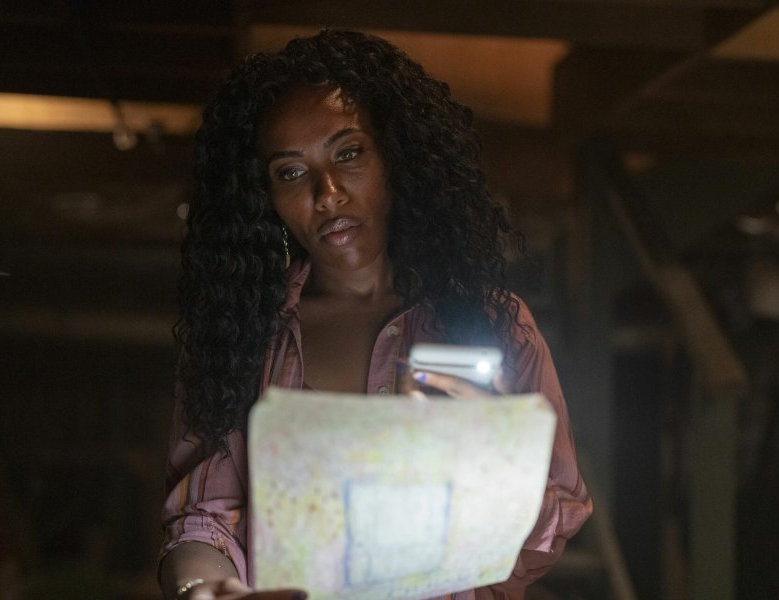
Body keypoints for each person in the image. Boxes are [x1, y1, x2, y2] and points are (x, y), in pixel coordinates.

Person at [159, 29, 592, 600]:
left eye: (348, 153)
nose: (327, 192)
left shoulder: (493, 327)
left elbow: (558, 512)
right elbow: (202, 520)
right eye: (290, 171)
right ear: (263, 196)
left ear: (396, 157)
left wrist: (495, 469)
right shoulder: (238, 340)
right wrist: (201, 590)